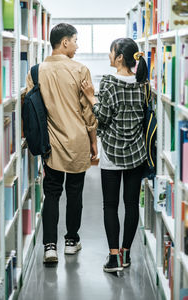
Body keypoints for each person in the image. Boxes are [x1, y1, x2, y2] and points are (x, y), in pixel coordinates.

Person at [26, 23, 98, 264]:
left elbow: (32, 109)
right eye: (76, 41)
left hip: (51, 143)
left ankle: (49, 247)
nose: (77, 46)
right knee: (75, 192)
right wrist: (93, 144)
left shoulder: (36, 71)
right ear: (65, 42)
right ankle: (71, 241)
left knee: (52, 193)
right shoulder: (80, 70)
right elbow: (89, 113)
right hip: (77, 141)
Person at [81, 38, 149, 273]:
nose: (109, 56)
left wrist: (91, 97)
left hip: (111, 154)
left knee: (110, 205)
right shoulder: (142, 83)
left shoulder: (109, 83)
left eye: (111, 52)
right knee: (131, 205)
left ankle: (113, 259)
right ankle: (126, 254)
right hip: (137, 154)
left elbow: (103, 117)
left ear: (119, 57)